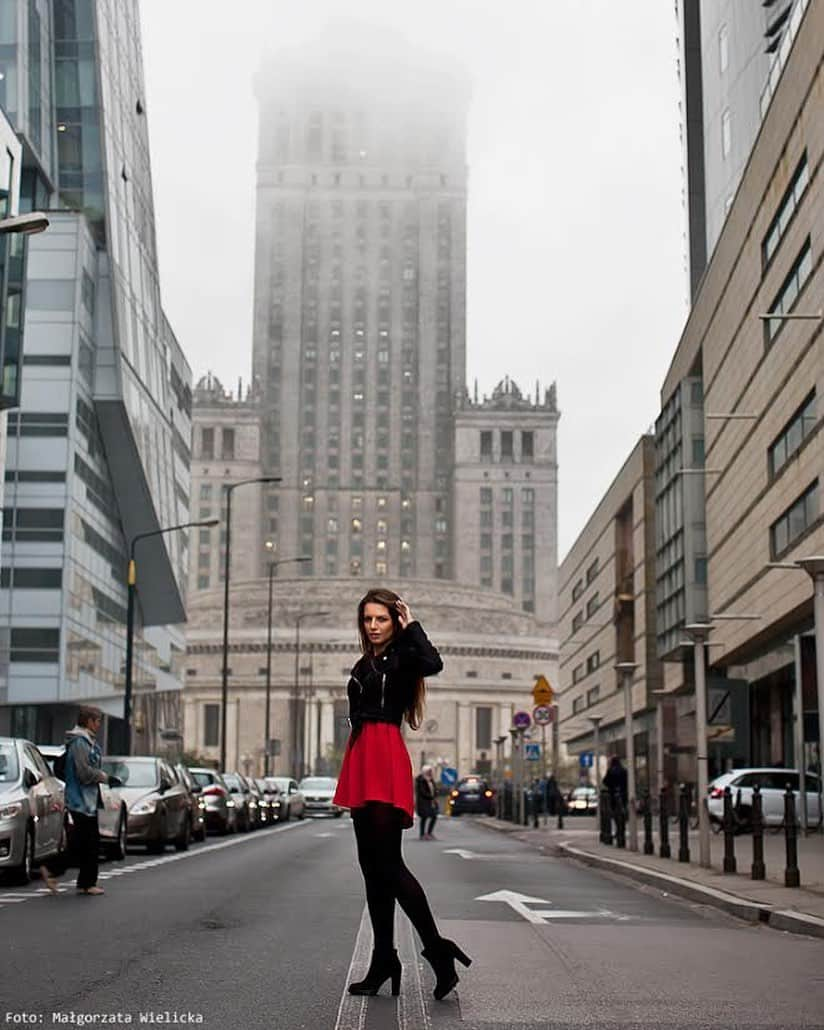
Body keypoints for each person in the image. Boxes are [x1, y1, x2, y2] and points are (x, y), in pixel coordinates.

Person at [334, 589, 471, 1000]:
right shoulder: (367, 662)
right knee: (370, 868)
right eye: (367, 620)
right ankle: (383, 959)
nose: (373, 626)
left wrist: (412, 625)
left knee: (389, 865)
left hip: (384, 755)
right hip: (361, 754)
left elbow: (434, 662)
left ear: (394, 621)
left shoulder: (405, 657)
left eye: (381, 619)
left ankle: (437, 951)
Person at [41, 705, 121, 896]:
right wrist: (105, 777)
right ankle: (58, 871)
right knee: (83, 842)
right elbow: (83, 772)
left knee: (87, 842)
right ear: (89, 721)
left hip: (88, 801)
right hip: (80, 800)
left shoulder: (88, 742)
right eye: (98, 721)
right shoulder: (80, 743)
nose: (99, 725)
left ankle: (83, 882)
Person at [415, 764, 439, 840]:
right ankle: (422, 834)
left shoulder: (431, 780)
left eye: (430, 771)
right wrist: (431, 797)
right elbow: (422, 792)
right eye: (429, 771)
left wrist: (435, 793)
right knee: (424, 817)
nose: (430, 773)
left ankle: (429, 833)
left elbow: (434, 789)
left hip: (431, 802)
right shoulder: (421, 780)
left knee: (434, 816)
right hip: (423, 802)